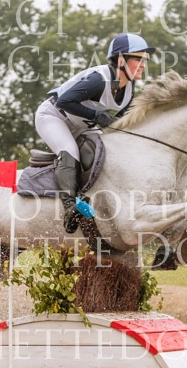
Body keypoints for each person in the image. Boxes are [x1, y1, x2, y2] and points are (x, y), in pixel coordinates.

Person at [34, 33, 155, 233]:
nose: (143, 64)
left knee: (107, 150)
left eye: (145, 59)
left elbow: (118, 122)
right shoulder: (99, 80)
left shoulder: (129, 88)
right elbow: (64, 101)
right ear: (121, 60)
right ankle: (70, 207)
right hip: (54, 115)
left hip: (81, 123)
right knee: (69, 149)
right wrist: (97, 115)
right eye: (138, 59)